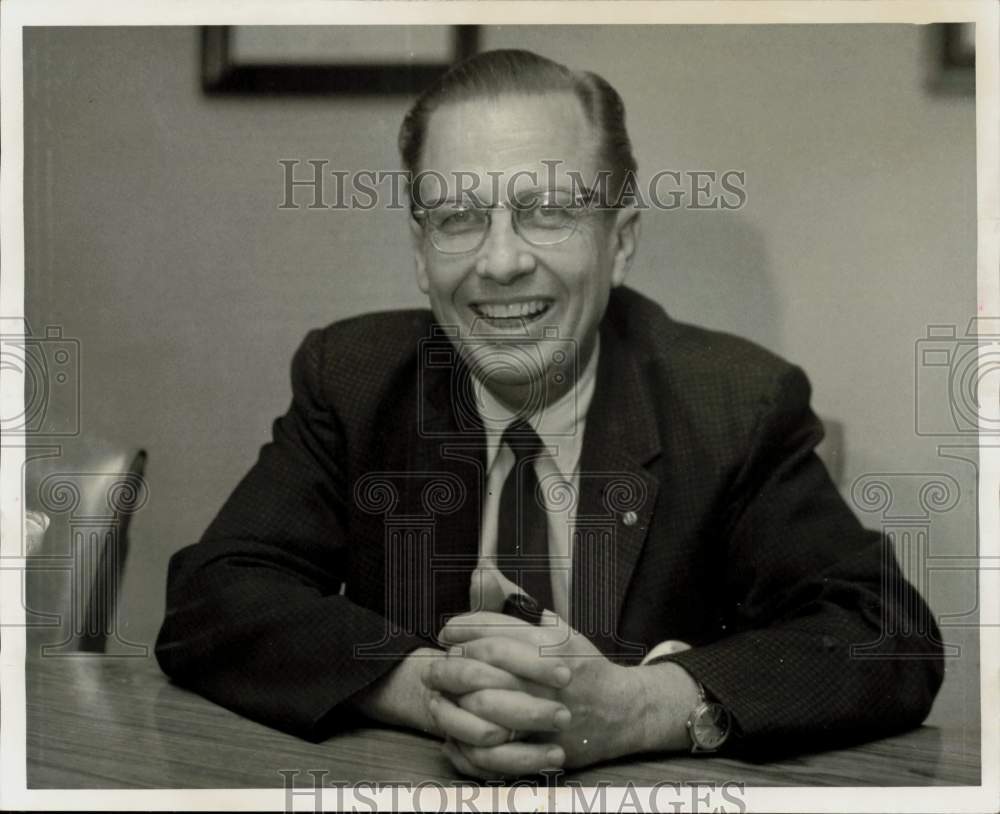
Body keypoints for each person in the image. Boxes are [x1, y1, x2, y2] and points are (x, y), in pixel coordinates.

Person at [155, 49, 943, 779]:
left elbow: (886, 634)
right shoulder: (354, 379)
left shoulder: (735, 402)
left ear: (620, 239)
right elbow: (213, 595)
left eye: (547, 211)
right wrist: (431, 687)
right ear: (420, 252)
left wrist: (639, 709)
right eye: (459, 218)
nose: (501, 262)